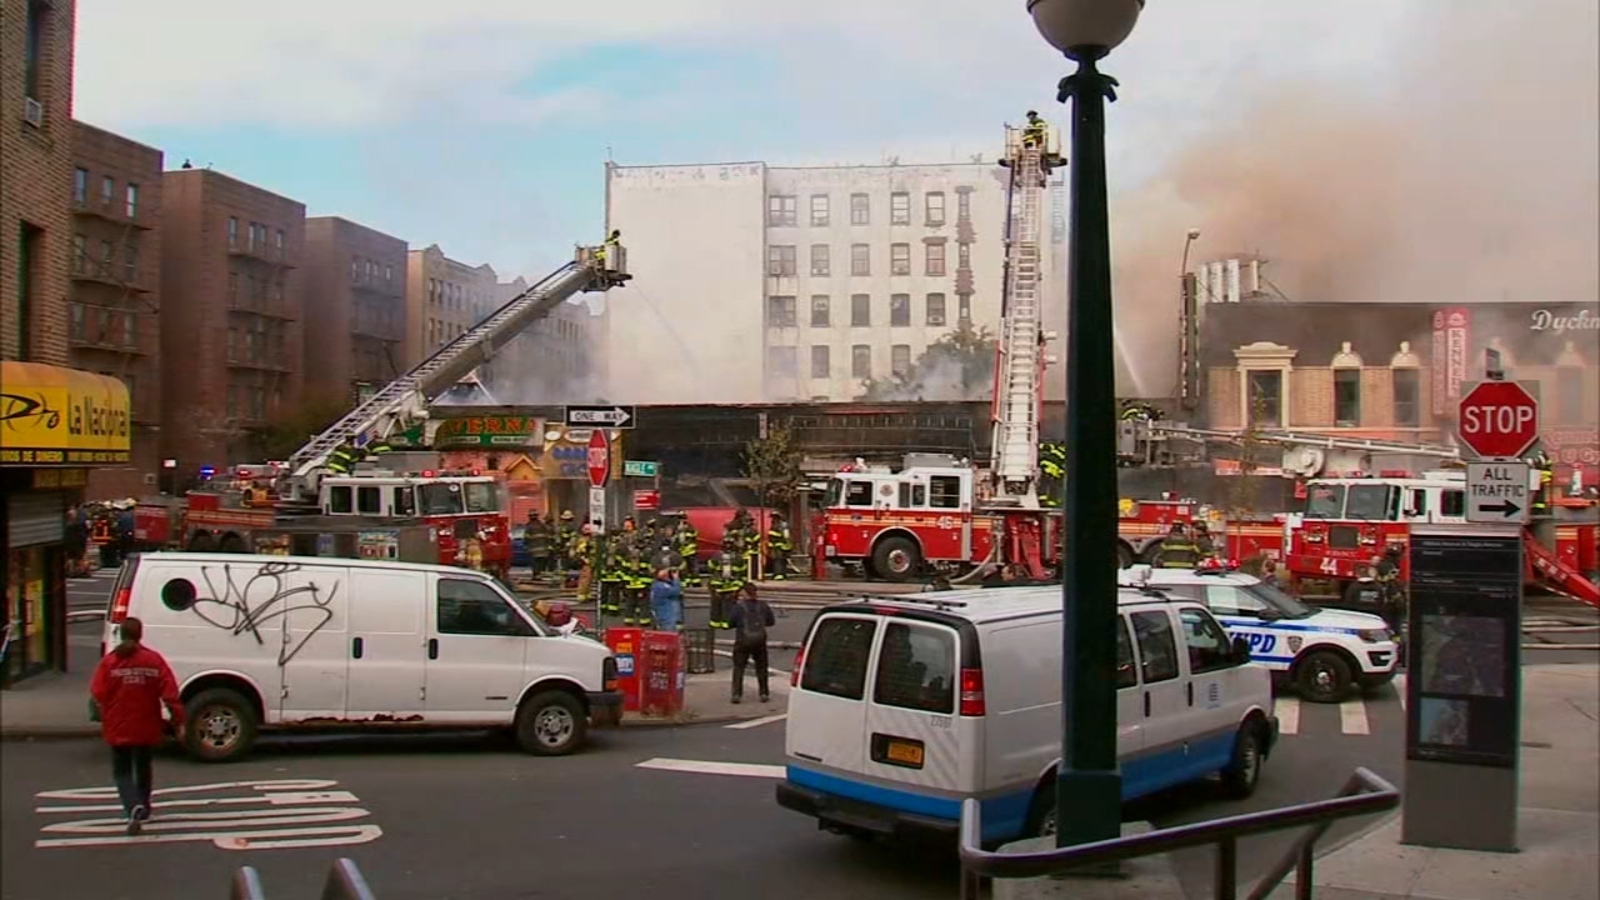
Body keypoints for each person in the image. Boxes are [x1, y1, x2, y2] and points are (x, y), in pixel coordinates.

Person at [90, 617, 184, 835]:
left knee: (122, 770)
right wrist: (178, 720)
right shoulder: (153, 660)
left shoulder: (110, 662)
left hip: (118, 723)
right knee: (143, 766)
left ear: (121, 634)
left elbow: (98, 693)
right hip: (146, 722)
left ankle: (132, 805)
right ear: (140, 634)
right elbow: (170, 693)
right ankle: (144, 805)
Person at [728, 584, 776, 704]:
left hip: (743, 640)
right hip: (760, 640)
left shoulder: (739, 607)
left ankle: (736, 694)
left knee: (739, 667)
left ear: (745, 593)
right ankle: (764, 693)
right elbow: (771, 622)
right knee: (761, 667)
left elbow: (730, 623)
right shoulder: (763, 606)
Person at [649, 567, 683, 632]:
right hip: (666, 616)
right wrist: (676, 579)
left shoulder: (659, 584)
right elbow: (676, 591)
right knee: (668, 635)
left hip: (664, 615)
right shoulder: (660, 586)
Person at [766, 513, 793, 581]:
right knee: (779, 561)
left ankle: (779, 575)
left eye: (774, 517)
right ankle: (780, 574)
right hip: (776, 546)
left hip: (780, 547)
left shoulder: (782, 525)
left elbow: (786, 536)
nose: (772, 519)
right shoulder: (775, 525)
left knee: (778, 561)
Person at [524, 512, 551, 577]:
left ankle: (536, 575)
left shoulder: (529, 526)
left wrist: (526, 545)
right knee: (542, 563)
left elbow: (526, 538)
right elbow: (548, 536)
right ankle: (541, 575)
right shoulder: (542, 525)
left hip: (534, 549)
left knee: (535, 563)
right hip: (543, 549)